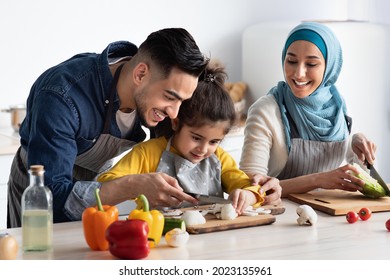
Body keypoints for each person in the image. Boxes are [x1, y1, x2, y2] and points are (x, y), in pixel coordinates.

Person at [7, 28, 210, 228]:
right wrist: (131, 186)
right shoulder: (62, 96)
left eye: (182, 102)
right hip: (39, 187)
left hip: (94, 186)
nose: (174, 113)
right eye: (169, 97)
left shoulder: (157, 95)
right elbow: (54, 199)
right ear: (140, 74)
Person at [98, 61, 282, 214]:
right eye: (196, 138)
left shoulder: (220, 158)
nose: (203, 149)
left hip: (209, 237)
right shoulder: (148, 153)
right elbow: (105, 182)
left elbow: (250, 186)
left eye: (214, 142)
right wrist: (138, 184)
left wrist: (248, 195)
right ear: (176, 123)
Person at [239, 22, 377, 197]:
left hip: (331, 216)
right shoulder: (265, 110)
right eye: (292, 61)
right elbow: (249, 187)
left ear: (329, 66)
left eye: (311, 64)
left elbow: (366, 180)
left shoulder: (337, 107)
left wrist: (359, 143)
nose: (298, 73)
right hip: (281, 216)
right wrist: (317, 180)